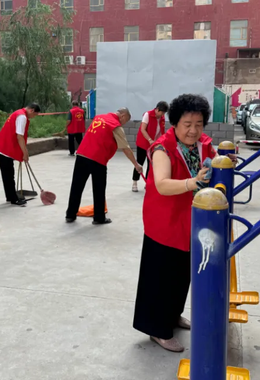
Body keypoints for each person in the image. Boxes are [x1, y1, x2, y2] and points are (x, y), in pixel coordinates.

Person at [133, 94, 217, 353]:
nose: (193, 130)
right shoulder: (162, 148)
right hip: (165, 223)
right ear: (175, 123)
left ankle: (173, 315)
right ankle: (158, 329)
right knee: (161, 278)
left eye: (199, 124)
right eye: (187, 124)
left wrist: (226, 161)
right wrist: (193, 183)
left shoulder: (202, 145)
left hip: (191, 221)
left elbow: (216, 161)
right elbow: (162, 184)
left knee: (182, 275)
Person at [65, 108, 143, 225]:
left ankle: (70, 215)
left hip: (82, 154)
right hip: (98, 158)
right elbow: (126, 148)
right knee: (99, 189)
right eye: (125, 121)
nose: (123, 123)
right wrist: (136, 164)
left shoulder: (99, 117)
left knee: (76, 186)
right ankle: (99, 217)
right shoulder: (115, 126)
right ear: (122, 116)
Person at [0, 103, 41, 207]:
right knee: (9, 175)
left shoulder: (18, 113)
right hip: (5, 148)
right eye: (35, 115)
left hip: (3, 146)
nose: (34, 117)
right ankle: (14, 199)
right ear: (32, 110)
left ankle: (10, 196)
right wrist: (25, 153)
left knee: (7, 174)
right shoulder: (22, 117)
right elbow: (19, 136)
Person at [132, 101, 169, 192]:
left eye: (164, 113)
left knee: (151, 164)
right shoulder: (147, 115)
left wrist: (161, 142)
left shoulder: (162, 117)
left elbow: (161, 131)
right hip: (143, 143)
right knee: (140, 162)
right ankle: (135, 182)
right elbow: (143, 129)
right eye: (162, 112)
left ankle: (148, 183)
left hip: (154, 144)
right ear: (157, 109)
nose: (162, 115)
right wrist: (149, 140)